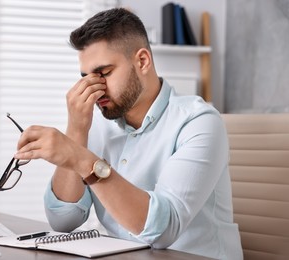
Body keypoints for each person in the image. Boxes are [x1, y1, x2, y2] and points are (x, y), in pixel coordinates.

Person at [14, 7, 243, 259]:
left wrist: (81, 158)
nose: (96, 89)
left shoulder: (198, 122)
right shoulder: (96, 124)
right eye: (86, 78)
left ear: (142, 61)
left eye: (104, 74)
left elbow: (163, 230)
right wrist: (76, 131)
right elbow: (64, 220)